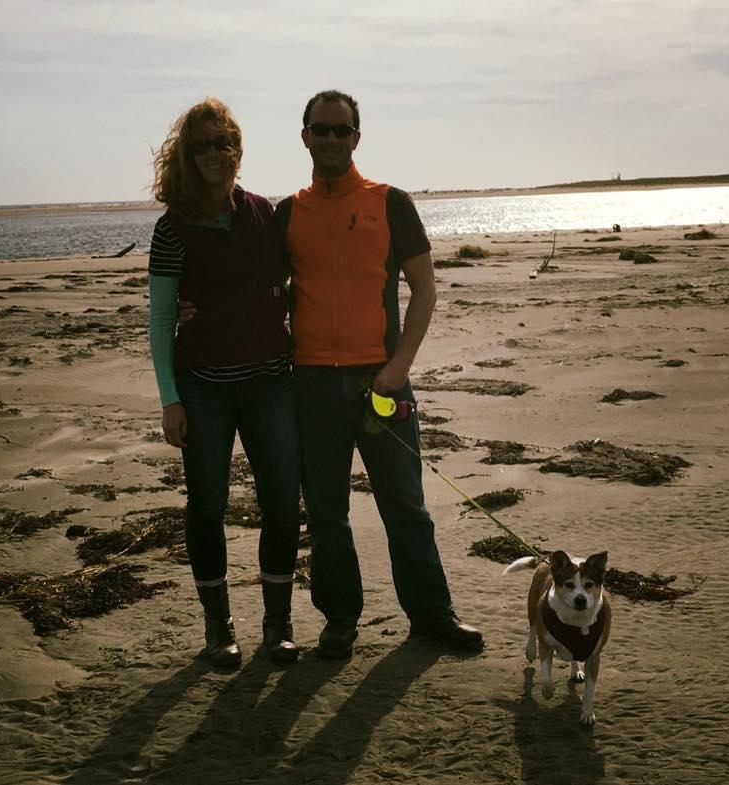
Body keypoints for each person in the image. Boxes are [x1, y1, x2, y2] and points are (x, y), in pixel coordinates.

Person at [274, 90, 483, 658]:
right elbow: (263, 292)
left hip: (381, 381)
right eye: (322, 129)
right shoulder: (289, 213)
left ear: (357, 138)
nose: (332, 139)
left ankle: (432, 614)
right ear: (306, 137)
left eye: (343, 131)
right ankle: (340, 619)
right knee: (326, 512)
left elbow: (425, 290)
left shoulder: (391, 203)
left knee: (405, 504)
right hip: (312, 383)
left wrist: (396, 370)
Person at [148, 97, 301, 667]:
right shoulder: (172, 230)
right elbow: (162, 319)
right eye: (204, 145)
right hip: (204, 390)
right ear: (187, 155)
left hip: (271, 383)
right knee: (207, 506)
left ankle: (278, 626)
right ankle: (219, 629)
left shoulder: (267, 214)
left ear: (238, 149)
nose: (216, 153)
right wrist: (170, 400)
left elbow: (294, 279)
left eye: (225, 142)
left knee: (284, 503)